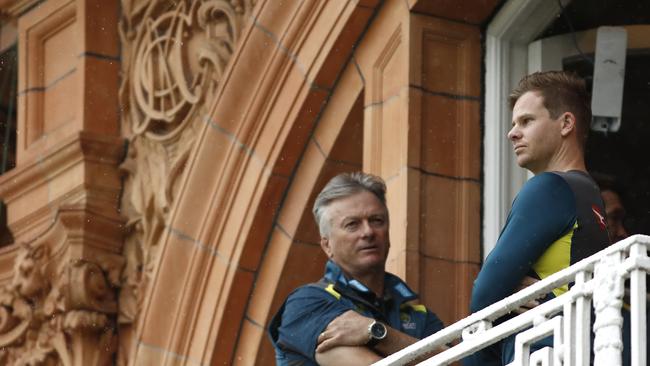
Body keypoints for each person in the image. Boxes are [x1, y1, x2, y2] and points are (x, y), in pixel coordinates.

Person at [466, 71, 610, 365]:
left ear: (566, 123)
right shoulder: (591, 196)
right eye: (513, 124)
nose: (512, 133)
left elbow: (484, 296)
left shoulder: (551, 187)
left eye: (526, 121)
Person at [268, 172, 444, 365]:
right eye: (352, 225)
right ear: (327, 246)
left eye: (376, 220)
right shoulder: (307, 303)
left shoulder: (419, 315)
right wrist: (388, 338)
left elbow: (455, 362)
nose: (368, 232)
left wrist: (376, 333)